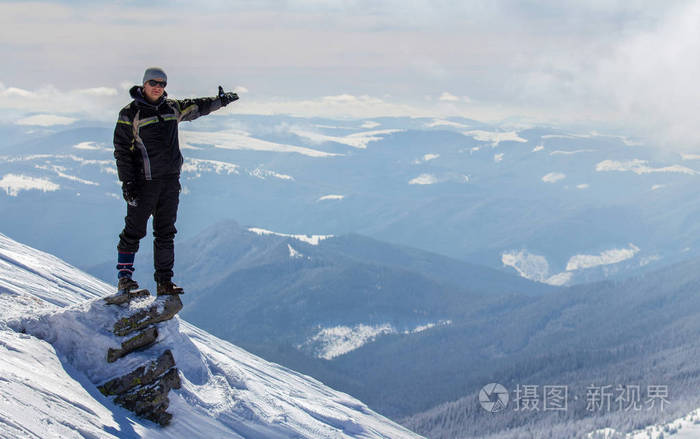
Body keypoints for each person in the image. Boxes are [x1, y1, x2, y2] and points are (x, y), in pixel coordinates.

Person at [113, 67, 238, 295]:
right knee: (133, 231)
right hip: (144, 183)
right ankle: (124, 279)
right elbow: (122, 151)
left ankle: (164, 282)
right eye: (153, 82)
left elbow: (197, 106)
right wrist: (128, 183)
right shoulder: (130, 114)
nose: (158, 87)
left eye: (162, 83)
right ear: (144, 84)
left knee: (165, 232)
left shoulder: (172, 107)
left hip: (170, 182)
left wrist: (220, 102)